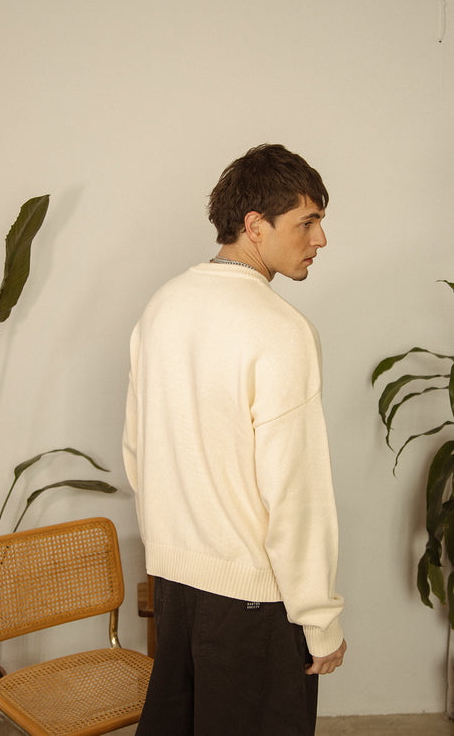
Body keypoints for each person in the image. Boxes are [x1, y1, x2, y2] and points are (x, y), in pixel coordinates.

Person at [122, 143, 346, 735]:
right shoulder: (281, 329)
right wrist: (319, 619)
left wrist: (173, 546)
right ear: (255, 225)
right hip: (253, 599)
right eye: (307, 222)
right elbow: (296, 492)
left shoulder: (163, 306)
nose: (320, 239)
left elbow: (137, 451)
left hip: (174, 586)